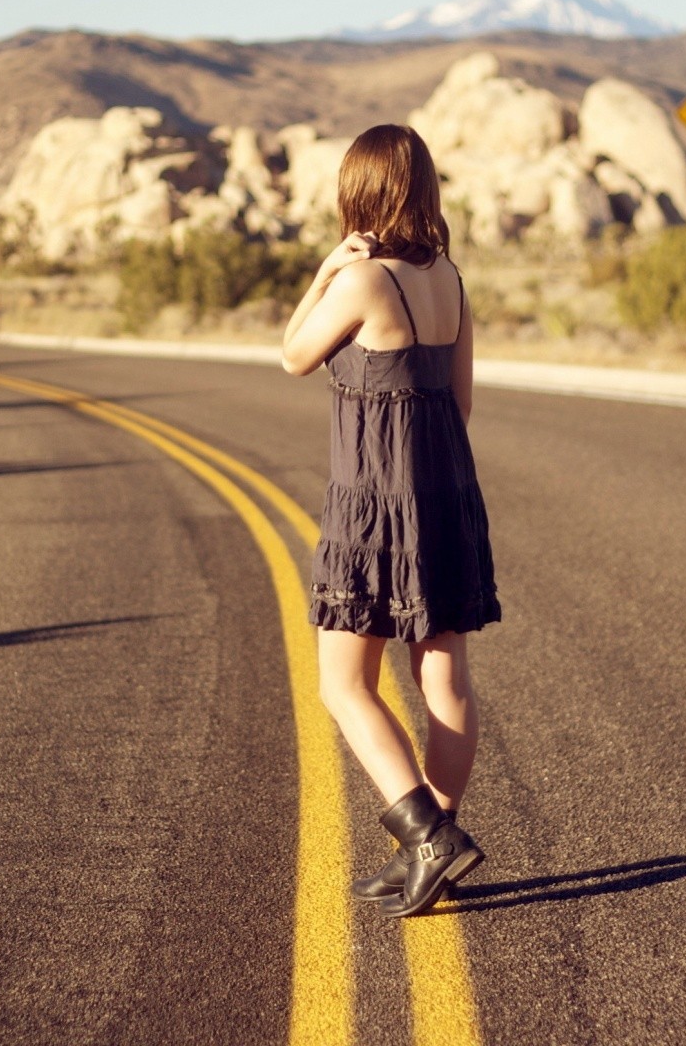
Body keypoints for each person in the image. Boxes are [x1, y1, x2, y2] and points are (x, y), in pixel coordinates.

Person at [281, 123, 502, 918]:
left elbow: (293, 355)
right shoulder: (450, 278)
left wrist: (320, 274)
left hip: (373, 501)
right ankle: (432, 841)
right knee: (442, 672)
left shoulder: (362, 282)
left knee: (342, 683)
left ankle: (428, 840)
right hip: (445, 490)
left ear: (362, 194)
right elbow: (463, 401)